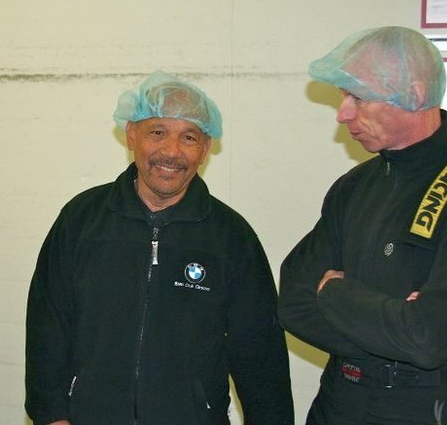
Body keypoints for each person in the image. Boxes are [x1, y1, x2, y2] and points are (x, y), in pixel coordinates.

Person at [25, 70, 294, 425]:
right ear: (131, 135)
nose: (171, 151)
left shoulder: (231, 237)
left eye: (189, 137)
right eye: (157, 132)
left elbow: (260, 353)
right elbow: (47, 324)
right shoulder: (81, 220)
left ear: (205, 149)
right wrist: (50, 415)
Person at [278, 26, 447, 423]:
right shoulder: (354, 186)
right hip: (340, 401)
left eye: (358, 98)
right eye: (343, 97)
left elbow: (428, 336)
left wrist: (335, 292)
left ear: (414, 95)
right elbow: (293, 300)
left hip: (427, 408)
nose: (342, 114)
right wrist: (394, 330)